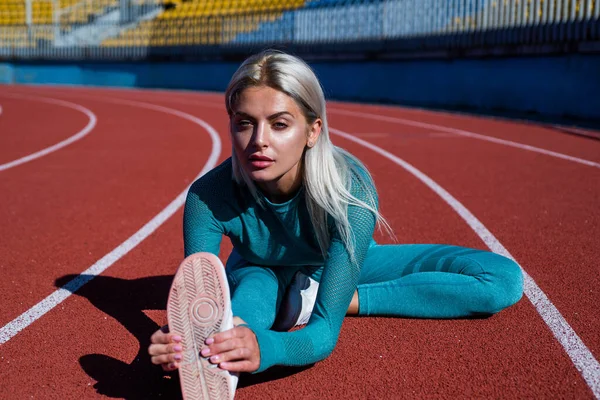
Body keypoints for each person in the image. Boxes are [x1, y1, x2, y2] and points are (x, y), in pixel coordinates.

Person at [147, 49, 524, 398]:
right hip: (257, 270)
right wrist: (183, 341)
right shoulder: (207, 197)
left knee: (500, 282)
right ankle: (235, 341)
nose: (258, 142)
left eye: (279, 124)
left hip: (336, 266)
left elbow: (324, 334)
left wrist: (276, 344)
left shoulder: (349, 191)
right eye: (245, 123)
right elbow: (197, 302)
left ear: (313, 131)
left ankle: (322, 298)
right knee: (245, 313)